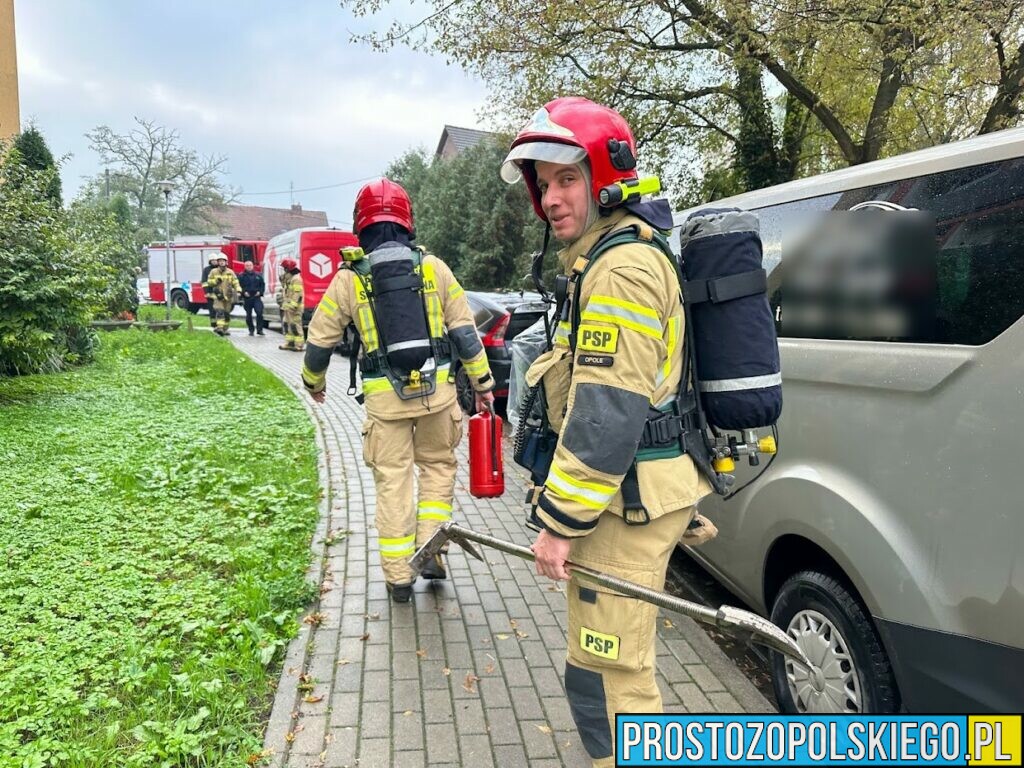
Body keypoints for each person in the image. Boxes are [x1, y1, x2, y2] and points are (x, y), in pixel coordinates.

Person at [501, 97, 712, 766]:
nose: (551, 199)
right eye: (543, 183)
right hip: (625, 498)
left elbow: (606, 413)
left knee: (612, 679)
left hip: (621, 505)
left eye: (567, 178)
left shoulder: (620, 268)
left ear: (605, 177)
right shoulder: (602, 259)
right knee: (605, 669)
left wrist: (560, 523)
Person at [300, 178, 495, 603]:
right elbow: (465, 333)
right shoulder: (435, 268)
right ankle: (431, 550)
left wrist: (313, 384)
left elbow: (319, 342)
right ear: (407, 221)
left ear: (361, 225)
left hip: (385, 404)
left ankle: (398, 578)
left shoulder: (349, 280)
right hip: (438, 397)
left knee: (393, 481)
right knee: (438, 471)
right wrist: (483, 385)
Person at [203, 253, 241, 336]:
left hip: (228, 295)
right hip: (218, 295)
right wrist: (216, 281)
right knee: (220, 311)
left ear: (226, 262)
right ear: (218, 262)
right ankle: (220, 327)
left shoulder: (230, 272)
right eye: (220, 261)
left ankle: (225, 329)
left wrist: (238, 291)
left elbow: (235, 282)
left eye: (223, 261)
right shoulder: (213, 271)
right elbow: (209, 281)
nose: (221, 262)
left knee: (227, 313)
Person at [276, 258, 304, 351]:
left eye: (284, 268)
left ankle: (299, 345)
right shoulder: (289, 278)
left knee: (295, 325)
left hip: (295, 307)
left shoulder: (296, 279)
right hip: (288, 306)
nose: (283, 270)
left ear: (288, 268)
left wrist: (293, 305)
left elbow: (298, 293)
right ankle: (289, 343)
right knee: (287, 324)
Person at [238, 259, 266, 336]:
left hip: (257, 297)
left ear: (253, 266)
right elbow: (238, 286)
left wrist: (260, 292)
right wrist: (243, 292)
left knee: (259, 313)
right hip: (247, 298)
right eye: (247, 265)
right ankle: (251, 330)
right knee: (248, 314)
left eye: (250, 265)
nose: (249, 267)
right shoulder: (241, 276)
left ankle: (259, 330)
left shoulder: (258, 275)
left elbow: (262, 285)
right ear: (244, 266)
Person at [201, 255, 218, 328]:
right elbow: (204, 282)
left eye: (215, 260)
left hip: (219, 293)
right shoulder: (206, 270)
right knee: (212, 310)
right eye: (212, 260)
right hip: (210, 293)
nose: (214, 261)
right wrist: (206, 292)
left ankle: (220, 325)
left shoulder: (220, 269)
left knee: (221, 310)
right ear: (210, 261)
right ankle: (213, 324)